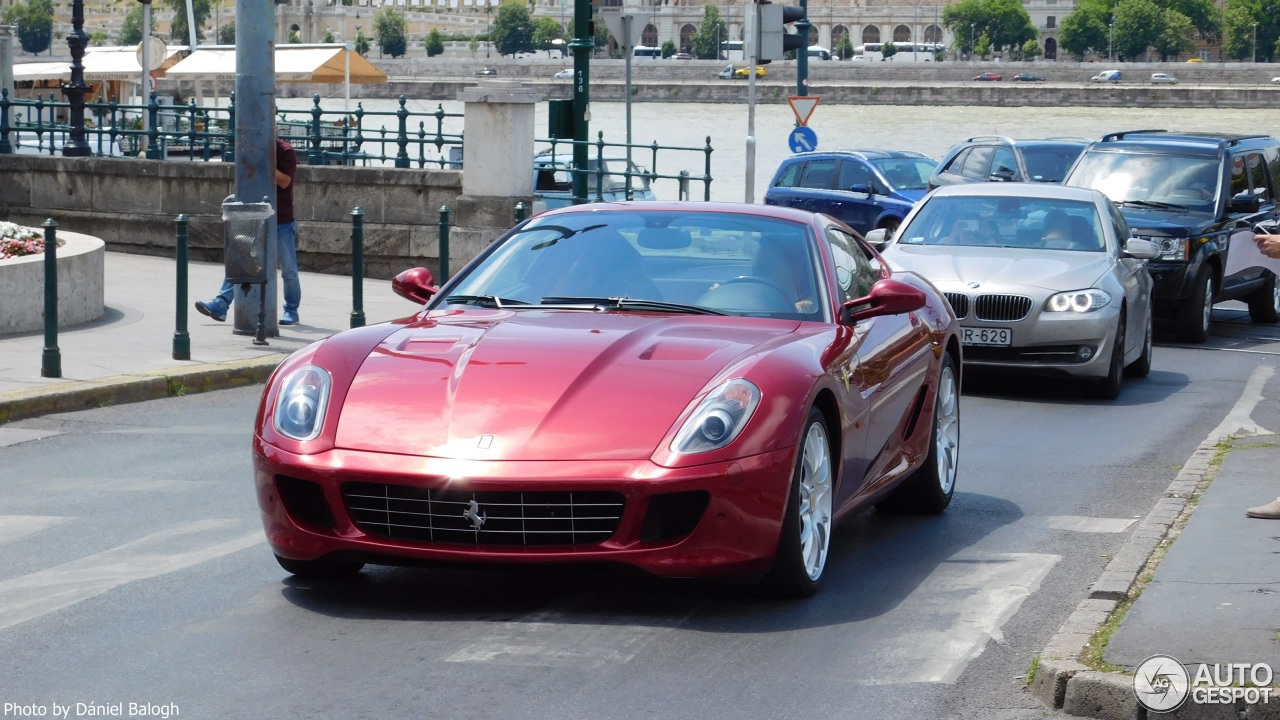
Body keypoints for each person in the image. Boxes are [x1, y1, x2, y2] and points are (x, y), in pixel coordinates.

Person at [195, 137, 300, 325]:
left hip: (281, 218)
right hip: (255, 215)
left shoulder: (285, 150)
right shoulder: (250, 147)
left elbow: (285, 181)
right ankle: (221, 303)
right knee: (242, 260)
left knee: (288, 269)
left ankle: (291, 310)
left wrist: (265, 164)